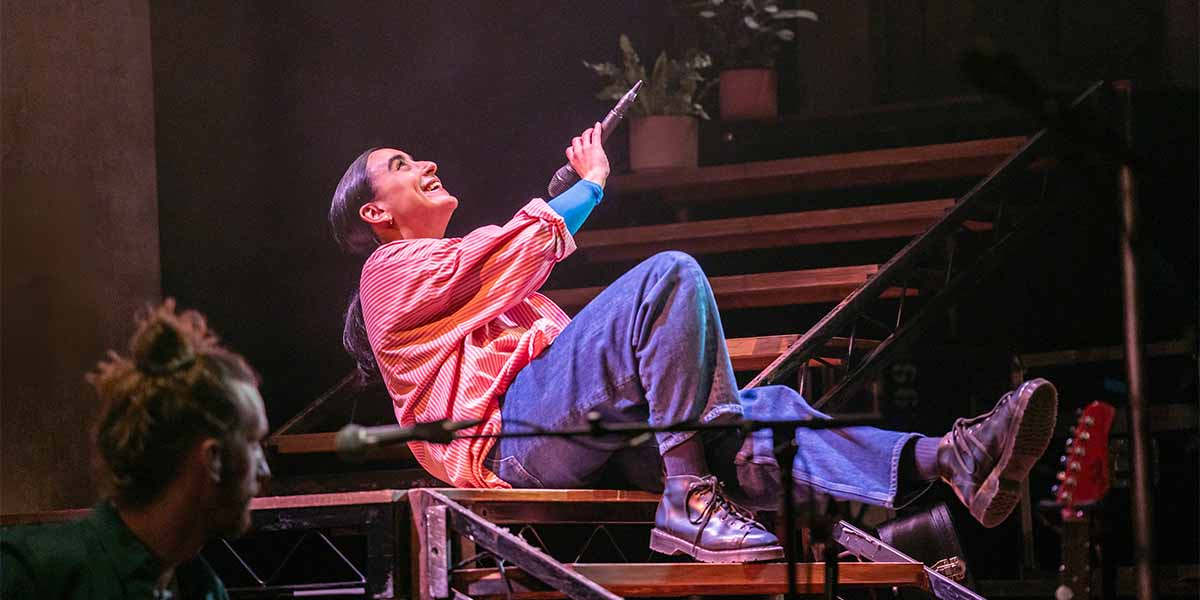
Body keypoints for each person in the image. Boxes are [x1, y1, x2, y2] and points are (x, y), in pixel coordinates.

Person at [328, 123, 1058, 563]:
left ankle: (952, 458)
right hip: (511, 439)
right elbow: (500, 255)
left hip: (565, 429)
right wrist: (589, 186)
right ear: (375, 212)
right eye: (400, 166)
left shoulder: (463, 284)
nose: (422, 165)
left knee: (762, 410)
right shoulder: (386, 272)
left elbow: (505, 278)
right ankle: (691, 496)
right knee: (666, 277)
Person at [1, 301, 272, 598]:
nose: (264, 469)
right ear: (212, 458)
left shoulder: (204, 590)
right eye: (252, 442)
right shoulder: (30, 574)